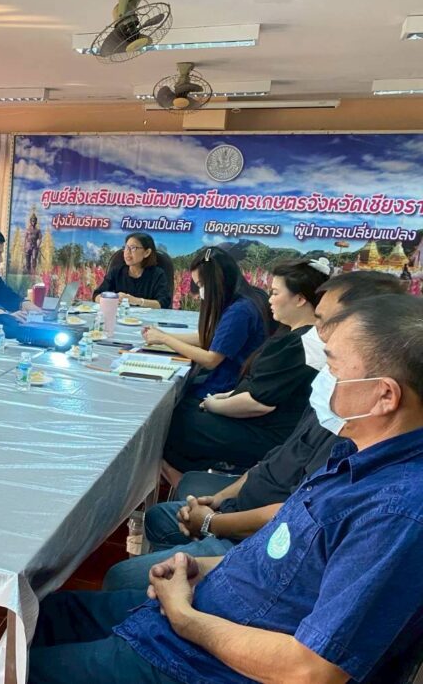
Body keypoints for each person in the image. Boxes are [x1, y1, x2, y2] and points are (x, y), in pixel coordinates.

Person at [0, 294, 423, 684]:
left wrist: (186, 619)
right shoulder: (354, 457)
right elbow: (286, 557)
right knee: (48, 615)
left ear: (384, 395)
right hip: (203, 611)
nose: (320, 378)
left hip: (198, 661)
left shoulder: (396, 511)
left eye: (333, 366)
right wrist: (199, 566)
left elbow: (312, 670)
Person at [103, 270, 408, 592]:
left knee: (120, 578)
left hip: (257, 541)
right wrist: (220, 498)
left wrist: (211, 523)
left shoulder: (357, 430)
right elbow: (276, 459)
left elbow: (294, 517)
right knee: (159, 518)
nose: (318, 334)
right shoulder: (328, 397)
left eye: (326, 323)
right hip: (241, 507)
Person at [161, 259, 332, 479]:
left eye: (275, 293)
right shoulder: (292, 334)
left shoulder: (300, 344)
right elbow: (262, 384)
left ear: (299, 299)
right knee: (183, 409)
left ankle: (181, 480)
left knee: (175, 422)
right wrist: (222, 398)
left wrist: (213, 405)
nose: (270, 299)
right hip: (258, 417)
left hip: (268, 434)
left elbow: (259, 403)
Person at [143, 247, 267, 399]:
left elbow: (210, 360)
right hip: (231, 381)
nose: (201, 291)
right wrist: (163, 335)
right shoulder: (248, 296)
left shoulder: (239, 311)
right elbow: (209, 338)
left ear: (217, 279)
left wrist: (164, 339)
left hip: (226, 390)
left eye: (201, 284)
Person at [91, 233, 172, 309]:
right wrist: (112, 299)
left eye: (133, 248)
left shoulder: (157, 274)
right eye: (126, 247)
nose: (127, 252)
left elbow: (162, 303)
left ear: (147, 252)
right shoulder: (116, 271)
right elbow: (96, 295)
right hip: (120, 316)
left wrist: (136, 301)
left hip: (148, 318)